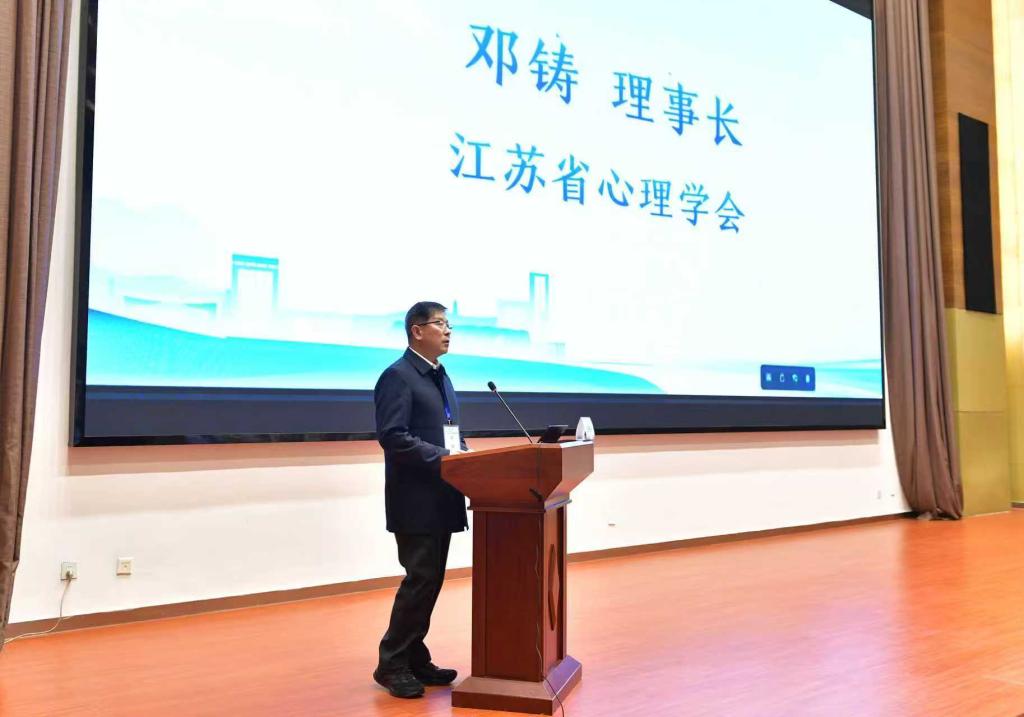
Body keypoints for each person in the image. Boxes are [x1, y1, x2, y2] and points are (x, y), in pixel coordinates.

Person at [372, 301, 468, 699]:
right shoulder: (398, 376)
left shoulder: (439, 376)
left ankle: (414, 655)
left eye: (449, 324)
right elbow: (393, 437)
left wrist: (465, 458)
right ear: (417, 330)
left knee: (430, 581)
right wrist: (447, 458)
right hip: (415, 499)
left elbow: (446, 431)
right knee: (420, 580)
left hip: (443, 495)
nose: (448, 331)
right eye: (440, 323)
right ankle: (391, 663)